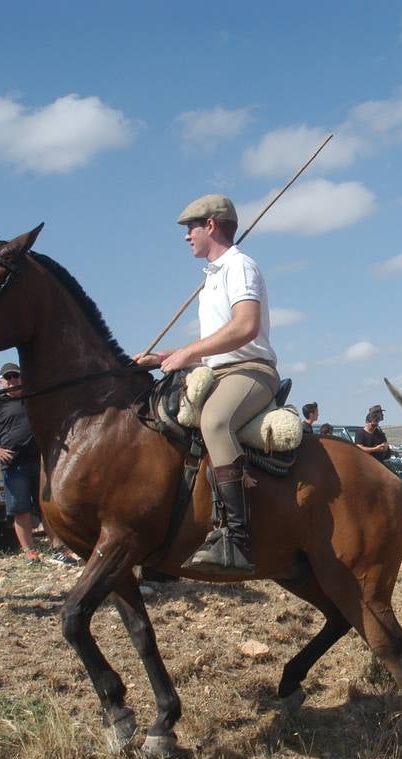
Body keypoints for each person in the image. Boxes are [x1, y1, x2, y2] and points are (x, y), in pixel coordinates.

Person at [134, 194, 280, 572]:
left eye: (191, 228)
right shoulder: (212, 278)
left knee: (215, 422)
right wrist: (168, 356)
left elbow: (246, 327)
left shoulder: (239, 267)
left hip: (252, 370)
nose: (187, 237)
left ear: (211, 226)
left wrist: (188, 353)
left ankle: (237, 539)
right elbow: (213, 350)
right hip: (220, 370)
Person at [0, 363, 77, 566]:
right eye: (9, 377)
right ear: (2, 381)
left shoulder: (34, 398)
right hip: (14, 463)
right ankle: (30, 552)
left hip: (41, 462)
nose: (14, 380)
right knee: (20, 510)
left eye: (16, 376)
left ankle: (58, 548)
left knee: (46, 507)